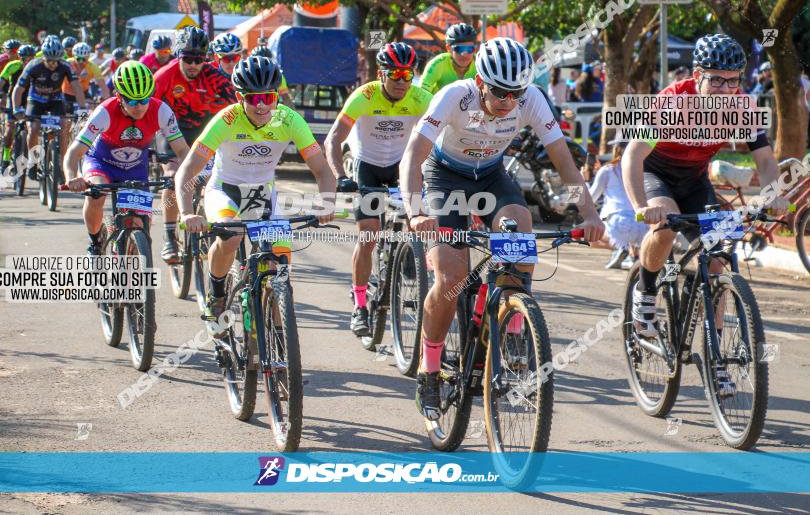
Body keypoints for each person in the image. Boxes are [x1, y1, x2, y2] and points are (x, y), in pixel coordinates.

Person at [398, 37, 604, 419]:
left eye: (516, 93)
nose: (508, 101)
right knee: (451, 276)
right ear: (479, 82)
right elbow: (414, 154)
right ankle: (430, 371)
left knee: (520, 241)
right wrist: (415, 210)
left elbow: (563, 160)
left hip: (492, 176)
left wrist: (588, 213)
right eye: (499, 92)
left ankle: (510, 328)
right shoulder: (453, 96)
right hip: (445, 176)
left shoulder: (533, 99)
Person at [622, 34, 787, 346]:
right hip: (656, 174)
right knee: (666, 224)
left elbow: (765, 159)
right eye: (716, 80)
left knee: (715, 259)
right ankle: (644, 292)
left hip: (695, 180)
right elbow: (633, 155)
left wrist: (772, 192)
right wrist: (640, 205)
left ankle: (717, 352)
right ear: (697, 75)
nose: (725, 89)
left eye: (733, 80)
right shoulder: (670, 102)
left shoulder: (742, 105)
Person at [175, 56, 336, 336]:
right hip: (225, 190)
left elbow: (322, 169)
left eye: (268, 97)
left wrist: (327, 203)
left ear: (276, 97)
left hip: (261, 194)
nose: (261, 105)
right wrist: (187, 212)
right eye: (253, 98)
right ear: (240, 97)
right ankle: (217, 294)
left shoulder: (289, 119)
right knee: (233, 235)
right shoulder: (226, 119)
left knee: (280, 265)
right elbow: (188, 169)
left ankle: (279, 335)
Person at [324, 42, 433, 335]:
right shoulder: (364, 96)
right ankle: (360, 304)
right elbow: (333, 139)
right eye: (395, 74)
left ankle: (409, 266)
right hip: (368, 166)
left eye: (407, 75)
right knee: (369, 236)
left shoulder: (422, 98)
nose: (401, 81)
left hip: (402, 168)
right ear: (381, 73)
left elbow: (441, 141)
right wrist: (339, 177)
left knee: (417, 224)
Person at [63, 61, 189, 256]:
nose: (139, 106)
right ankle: (95, 243)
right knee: (97, 194)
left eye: (144, 99)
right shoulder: (104, 112)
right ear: (119, 97)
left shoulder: (161, 111)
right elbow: (74, 152)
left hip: (135, 167)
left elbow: (182, 150)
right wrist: (72, 177)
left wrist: (186, 173)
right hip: (101, 163)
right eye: (131, 101)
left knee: (139, 222)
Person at [152, 26, 237, 264]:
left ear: (206, 59)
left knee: (215, 176)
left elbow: (237, 107)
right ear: (178, 56)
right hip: (171, 130)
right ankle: (170, 237)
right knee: (172, 176)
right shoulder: (164, 77)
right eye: (187, 58)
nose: (193, 64)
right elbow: (147, 111)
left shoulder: (214, 77)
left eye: (198, 59)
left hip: (204, 131)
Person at [11, 37, 87, 180]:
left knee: (64, 126)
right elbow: (19, 88)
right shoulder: (34, 65)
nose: (53, 64)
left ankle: (63, 164)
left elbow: (77, 87)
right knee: (33, 128)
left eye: (56, 61)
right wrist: (16, 108)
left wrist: (82, 108)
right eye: (50, 61)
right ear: (43, 57)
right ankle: (32, 163)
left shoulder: (65, 66)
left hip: (55, 99)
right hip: (36, 99)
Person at [584, 140, 648, 270]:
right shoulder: (642, 169)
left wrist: (585, 180)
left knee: (588, 236)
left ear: (615, 150)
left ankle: (620, 248)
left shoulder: (608, 169)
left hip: (618, 221)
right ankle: (631, 255)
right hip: (642, 222)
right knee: (635, 235)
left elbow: (589, 198)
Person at [0, 44, 36, 172]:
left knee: (31, 129)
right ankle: (6, 157)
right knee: (10, 128)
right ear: (19, 58)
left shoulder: (37, 67)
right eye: (24, 59)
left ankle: (29, 159)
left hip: (29, 100)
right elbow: (0, 83)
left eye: (30, 59)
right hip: (14, 99)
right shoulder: (12, 66)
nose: (27, 62)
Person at [419, 23, 478, 95]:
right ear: (448, 48)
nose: (464, 54)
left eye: (469, 49)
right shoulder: (438, 63)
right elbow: (421, 93)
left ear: (475, 49)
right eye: (459, 48)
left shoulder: (480, 63)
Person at [62, 43, 108, 112]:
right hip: (67, 94)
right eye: (79, 59)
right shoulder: (67, 64)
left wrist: (105, 98)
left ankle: (85, 120)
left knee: (91, 109)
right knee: (67, 117)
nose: (81, 62)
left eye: (84, 59)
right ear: (74, 57)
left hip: (84, 93)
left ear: (88, 57)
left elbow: (103, 85)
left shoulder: (92, 66)